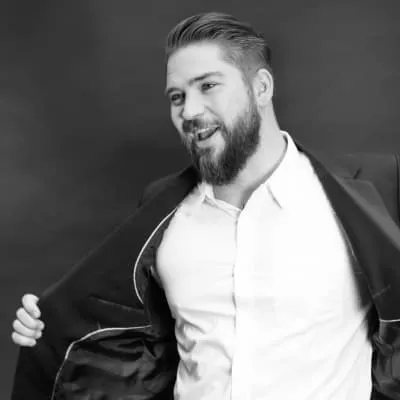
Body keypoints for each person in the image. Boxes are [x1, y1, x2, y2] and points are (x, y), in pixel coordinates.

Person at [9, 11, 400, 400]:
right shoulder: (162, 213)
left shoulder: (364, 197)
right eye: (177, 97)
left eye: (208, 85)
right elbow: (123, 339)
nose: (189, 111)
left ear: (261, 88)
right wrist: (47, 327)